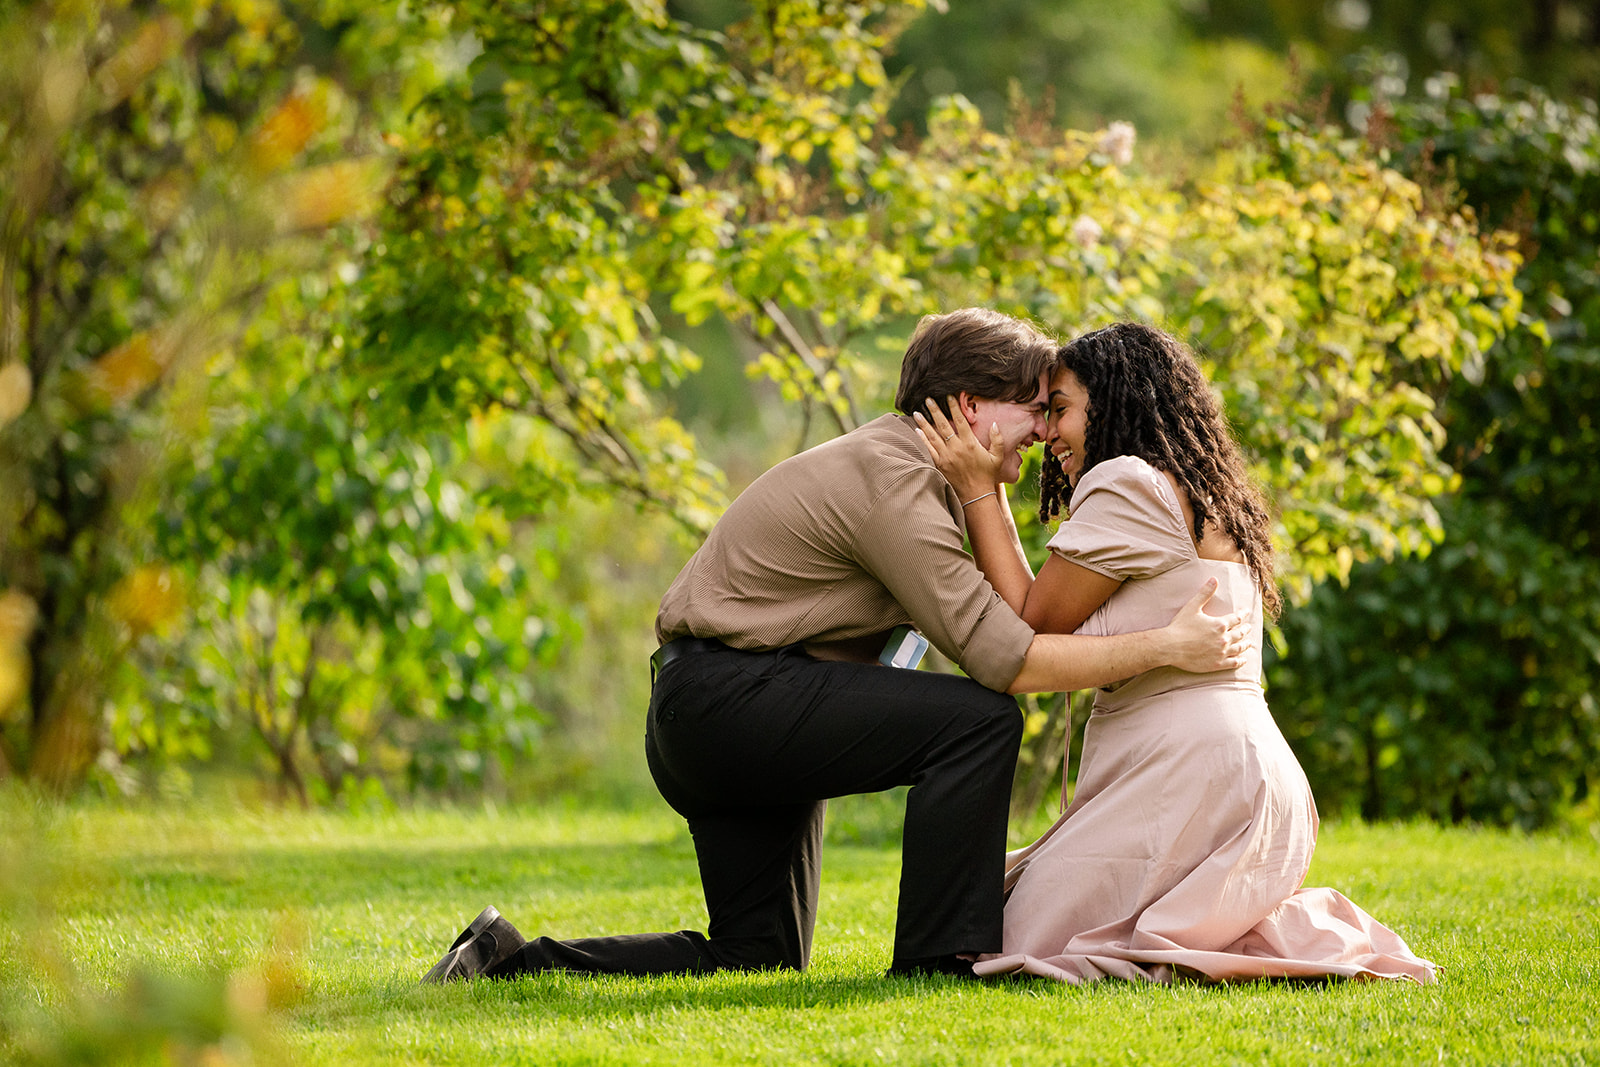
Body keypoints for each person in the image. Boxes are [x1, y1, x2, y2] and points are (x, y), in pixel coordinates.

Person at [421, 308, 1251, 984]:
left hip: (717, 708)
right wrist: (1165, 644)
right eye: (1032, 406)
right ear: (967, 406)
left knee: (756, 956)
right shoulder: (892, 482)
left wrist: (983, 508)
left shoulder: (913, 479)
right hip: (725, 703)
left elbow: (1001, 621)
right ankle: (938, 957)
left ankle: (509, 959)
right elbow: (1009, 658)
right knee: (981, 719)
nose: (1042, 429)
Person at [913, 321, 1436, 984]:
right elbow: (1049, 613)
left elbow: (1027, 621)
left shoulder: (1129, 481)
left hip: (1192, 781)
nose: (1048, 432)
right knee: (1002, 906)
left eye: (1061, 410)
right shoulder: (1191, 486)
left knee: (1004, 937)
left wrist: (976, 488)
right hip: (1242, 781)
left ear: (1112, 405)